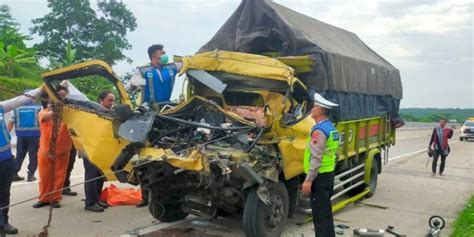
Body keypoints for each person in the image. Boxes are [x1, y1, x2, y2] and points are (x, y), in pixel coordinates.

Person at [0, 87, 42, 235]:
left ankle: (3, 222)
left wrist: (43, 87)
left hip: (5, 159)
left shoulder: (1, 107)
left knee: (4, 193)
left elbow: (20, 100)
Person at [301, 93, 340, 237]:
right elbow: (335, 154)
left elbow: (316, 158)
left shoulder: (319, 131)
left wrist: (309, 179)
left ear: (320, 110)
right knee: (325, 214)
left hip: (319, 178)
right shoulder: (331, 128)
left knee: (320, 218)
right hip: (328, 175)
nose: (312, 109)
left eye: (314, 106)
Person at [33, 87, 73, 208]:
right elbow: (45, 117)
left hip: (63, 151)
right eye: (59, 96)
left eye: (64, 96)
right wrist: (57, 109)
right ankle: (44, 198)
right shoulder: (44, 112)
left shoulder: (69, 114)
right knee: (44, 176)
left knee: (59, 176)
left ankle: (55, 198)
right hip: (45, 152)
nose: (62, 99)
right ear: (51, 98)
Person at [82, 90, 115, 212]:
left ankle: (97, 199)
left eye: (113, 101)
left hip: (100, 149)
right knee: (91, 176)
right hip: (91, 149)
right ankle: (90, 203)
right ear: (101, 100)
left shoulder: (106, 112)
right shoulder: (91, 112)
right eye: (109, 100)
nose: (112, 103)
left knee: (99, 175)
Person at [7, 90, 41, 182]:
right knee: (33, 155)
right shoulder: (38, 108)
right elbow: (42, 123)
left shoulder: (16, 108)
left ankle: (14, 173)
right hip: (34, 136)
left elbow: (10, 123)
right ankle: (31, 174)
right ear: (32, 97)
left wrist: (6, 136)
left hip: (21, 136)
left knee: (20, 154)